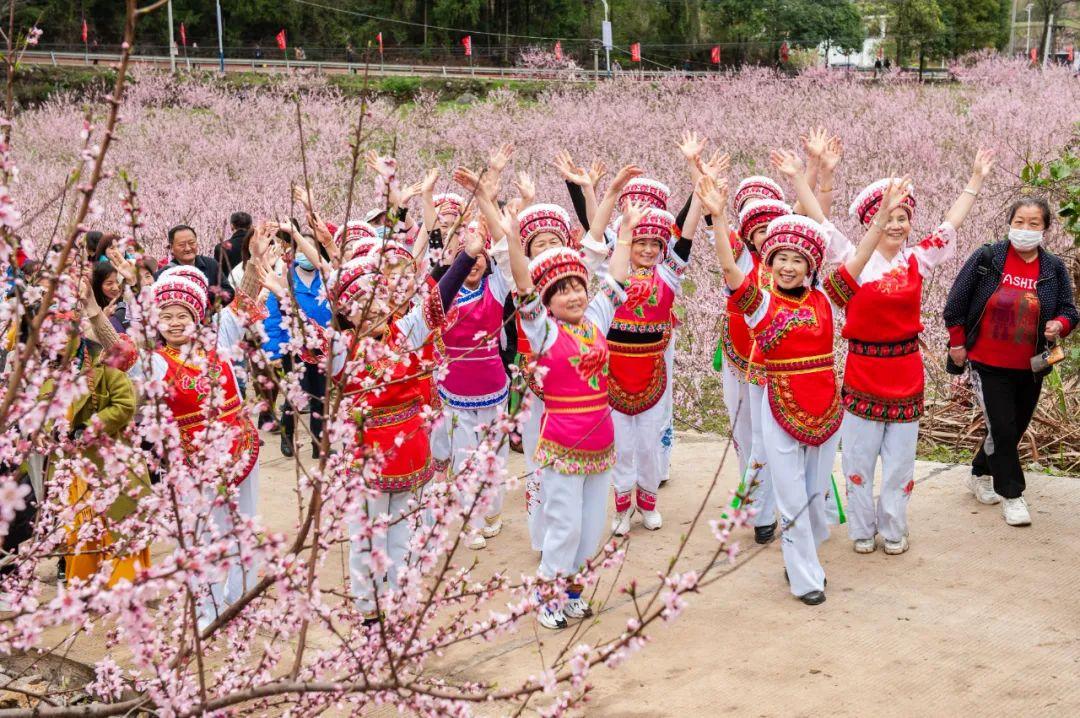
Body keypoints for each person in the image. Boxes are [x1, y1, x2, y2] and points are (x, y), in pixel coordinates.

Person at [699, 168, 910, 606]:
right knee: (791, 495)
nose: (789, 266)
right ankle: (806, 577)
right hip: (777, 409)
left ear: (811, 266)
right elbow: (727, 267)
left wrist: (884, 214)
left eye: (798, 260)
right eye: (781, 259)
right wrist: (718, 219)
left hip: (826, 411)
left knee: (814, 496)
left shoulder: (827, 297)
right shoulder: (758, 304)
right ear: (769, 263)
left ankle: (806, 553)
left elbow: (862, 254)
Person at [85, 230, 272, 628]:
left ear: (196, 317)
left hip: (241, 450)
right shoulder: (153, 361)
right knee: (200, 536)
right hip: (192, 460)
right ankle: (207, 611)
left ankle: (238, 602)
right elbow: (114, 342)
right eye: (165, 317)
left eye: (181, 316)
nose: (173, 323)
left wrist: (254, 260)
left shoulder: (217, 338)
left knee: (241, 528)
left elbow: (244, 301)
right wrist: (90, 308)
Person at [839, 149, 995, 555]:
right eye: (887, 218)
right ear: (871, 223)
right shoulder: (853, 260)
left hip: (905, 372)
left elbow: (952, 221)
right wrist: (818, 172)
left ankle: (893, 528)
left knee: (899, 462)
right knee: (858, 460)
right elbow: (817, 218)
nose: (896, 225)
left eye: (902, 217)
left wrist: (975, 178)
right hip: (862, 371)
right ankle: (860, 528)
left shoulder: (918, 258)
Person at [500, 195, 638, 630]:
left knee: (593, 525)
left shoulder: (596, 320)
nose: (574, 295)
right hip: (562, 442)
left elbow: (615, 279)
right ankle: (548, 599)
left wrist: (628, 230)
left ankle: (574, 592)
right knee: (564, 526)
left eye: (577, 286)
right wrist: (513, 240)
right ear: (548, 300)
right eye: (562, 291)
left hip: (600, 441)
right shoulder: (542, 331)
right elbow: (523, 288)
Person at [944, 197, 1078, 526]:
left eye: (1034, 223)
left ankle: (979, 472)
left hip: (1031, 364)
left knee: (1012, 429)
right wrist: (958, 344)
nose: (1025, 229)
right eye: (1020, 221)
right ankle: (1012, 494)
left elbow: (1069, 310)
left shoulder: (1052, 268)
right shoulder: (988, 258)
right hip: (987, 362)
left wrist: (1059, 324)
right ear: (1009, 223)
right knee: (1002, 427)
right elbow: (955, 303)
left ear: (1045, 228)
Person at [158, 224, 234, 307]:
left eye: (191, 243)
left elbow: (229, 292)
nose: (188, 248)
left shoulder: (211, 264)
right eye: (182, 245)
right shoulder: (164, 274)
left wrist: (203, 295)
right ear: (172, 248)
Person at [91, 260, 129, 332]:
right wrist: (103, 320)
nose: (116, 288)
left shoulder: (124, 301)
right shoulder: (91, 311)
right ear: (98, 285)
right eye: (109, 283)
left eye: (117, 281)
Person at [215, 211, 252, 282]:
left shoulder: (221, 248)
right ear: (250, 226)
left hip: (230, 288)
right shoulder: (259, 245)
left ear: (232, 226)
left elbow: (217, 275)